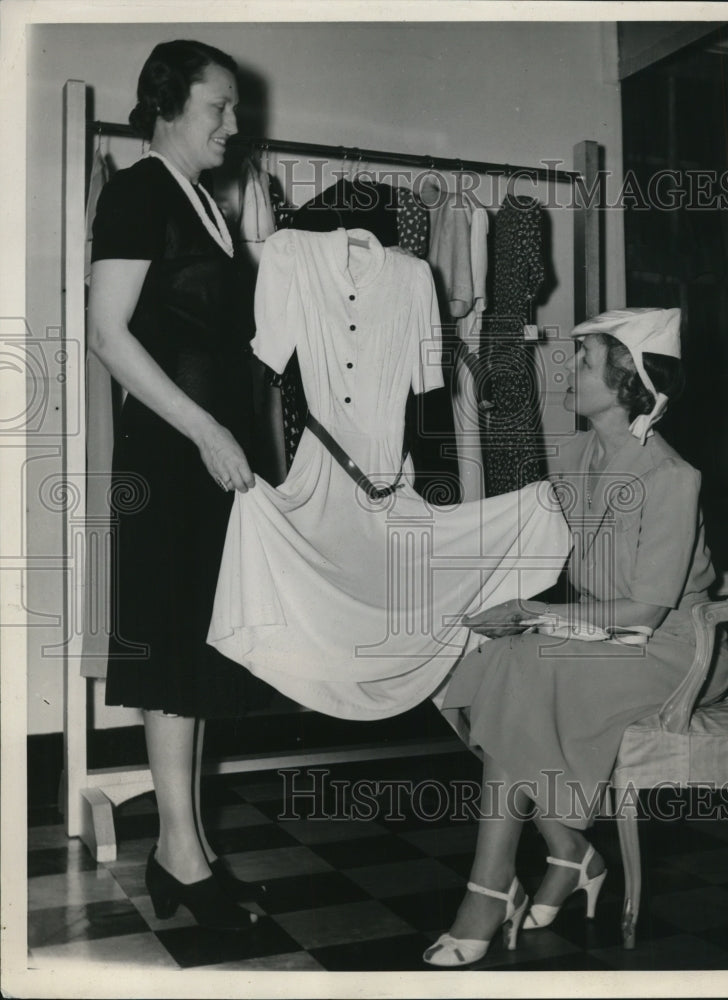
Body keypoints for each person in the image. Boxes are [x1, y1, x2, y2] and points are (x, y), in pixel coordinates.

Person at [423, 307, 728, 967]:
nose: (570, 366)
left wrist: (535, 615)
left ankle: (488, 888)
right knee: (457, 665)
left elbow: (646, 614)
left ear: (631, 387)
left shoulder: (673, 478)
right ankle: (568, 850)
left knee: (526, 663)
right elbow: (519, 533)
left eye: (586, 360)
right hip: (598, 635)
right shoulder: (578, 454)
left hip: (676, 651)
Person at [89, 39, 264, 931]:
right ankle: (180, 854)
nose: (234, 125)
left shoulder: (207, 199)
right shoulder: (136, 190)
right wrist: (203, 429)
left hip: (208, 458)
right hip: (170, 456)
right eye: (218, 108)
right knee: (170, 649)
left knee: (194, 655)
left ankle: (182, 848)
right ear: (167, 107)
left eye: (234, 109)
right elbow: (108, 333)